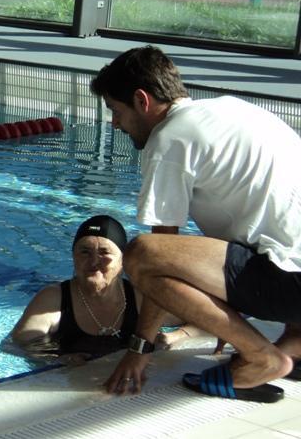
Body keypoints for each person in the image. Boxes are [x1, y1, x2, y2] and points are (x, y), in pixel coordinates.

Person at [90, 45, 301, 403]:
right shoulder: (234, 109)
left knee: (142, 254)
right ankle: (296, 344)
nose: (115, 123)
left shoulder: (169, 138)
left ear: (142, 100)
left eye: (116, 110)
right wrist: (223, 315)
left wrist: (140, 349)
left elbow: (161, 252)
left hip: (293, 285)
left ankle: (261, 358)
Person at [9, 215, 195, 365]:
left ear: (123, 261)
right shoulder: (53, 299)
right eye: (84, 252)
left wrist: (176, 336)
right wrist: (54, 359)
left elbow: (203, 318)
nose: (94, 261)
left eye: (105, 252)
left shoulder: (140, 296)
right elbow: (15, 346)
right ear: (73, 257)